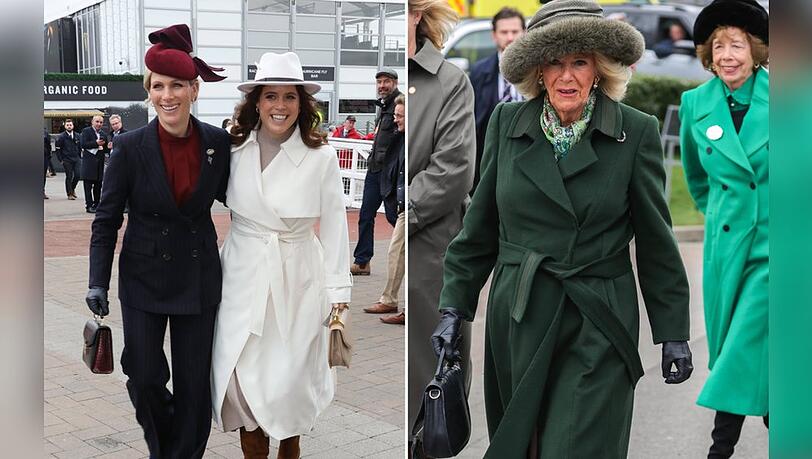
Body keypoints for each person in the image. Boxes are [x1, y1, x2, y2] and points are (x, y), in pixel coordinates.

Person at [430, 1, 694, 457]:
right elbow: (479, 229)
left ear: (601, 69)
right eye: (554, 62)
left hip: (598, 315)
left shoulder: (635, 131)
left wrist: (673, 332)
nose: (566, 76)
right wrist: (455, 308)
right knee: (523, 446)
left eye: (579, 62)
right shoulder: (506, 124)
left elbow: (656, 240)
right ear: (536, 70)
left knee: (576, 447)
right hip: (520, 314)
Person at [85, 23, 229, 458]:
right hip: (143, 278)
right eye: (159, 86)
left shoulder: (218, 144)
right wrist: (97, 280)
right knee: (144, 375)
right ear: (150, 91)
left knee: (193, 384)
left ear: (194, 90)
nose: (168, 96)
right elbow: (106, 220)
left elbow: (248, 199)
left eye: (178, 86)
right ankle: (167, 446)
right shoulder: (129, 147)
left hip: (198, 277)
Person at [210, 51, 352, 459]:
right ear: (256, 101)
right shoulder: (233, 151)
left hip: (297, 282)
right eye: (270, 96)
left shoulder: (321, 156)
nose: (280, 106)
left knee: (288, 392)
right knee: (241, 391)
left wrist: (337, 293)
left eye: (289, 97)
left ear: (301, 104)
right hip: (241, 276)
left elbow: (336, 226)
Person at [679, 0, 769, 456]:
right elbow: (696, 178)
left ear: (755, 51)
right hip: (724, 251)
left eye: (737, 44)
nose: (727, 54)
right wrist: (720, 218)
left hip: (776, 250)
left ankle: (720, 450)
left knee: (741, 347)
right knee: (756, 355)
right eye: (718, 46)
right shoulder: (695, 104)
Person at [406, 0, 476, 443]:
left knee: (430, 401)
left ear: (417, 14)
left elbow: (453, 169)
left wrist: (403, 211)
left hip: (430, 255)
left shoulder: (449, 81)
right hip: (395, 250)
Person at [350, 68, 401, 276]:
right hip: (375, 167)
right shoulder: (384, 105)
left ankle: (408, 254)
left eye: (386, 81)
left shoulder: (401, 103)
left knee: (393, 217)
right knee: (366, 215)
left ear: (395, 83)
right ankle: (362, 261)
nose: (382, 86)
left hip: (389, 170)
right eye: (379, 82)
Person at [469, 7, 525, 192]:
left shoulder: (539, 70)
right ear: (494, 35)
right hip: (489, 158)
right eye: (504, 32)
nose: (510, 37)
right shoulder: (479, 72)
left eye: (515, 31)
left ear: (524, 33)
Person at [366, 94, 406, 324]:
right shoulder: (398, 137)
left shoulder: (409, 139)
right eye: (395, 116)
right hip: (402, 204)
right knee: (398, 252)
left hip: (411, 206)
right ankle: (390, 299)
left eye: (400, 116)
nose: (396, 120)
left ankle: (391, 299)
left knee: (397, 251)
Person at [79, 115, 108, 212]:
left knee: (98, 186)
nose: (99, 124)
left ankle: (97, 204)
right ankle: (89, 205)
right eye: (97, 121)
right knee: (88, 186)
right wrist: (96, 143)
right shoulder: (86, 131)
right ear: (92, 122)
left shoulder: (103, 133)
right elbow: (83, 144)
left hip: (99, 163)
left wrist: (109, 147)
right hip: (89, 163)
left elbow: (105, 148)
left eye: (101, 122)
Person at [55, 118, 82, 200]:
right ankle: (69, 193)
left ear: (73, 126)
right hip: (66, 159)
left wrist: (79, 156)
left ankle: (72, 188)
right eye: (67, 125)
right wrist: (61, 160)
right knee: (69, 176)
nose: (69, 126)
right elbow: (58, 149)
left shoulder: (78, 136)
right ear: (65, 126)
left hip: (76, 158)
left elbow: (80, 147)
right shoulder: (61, 137)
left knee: (77, 175)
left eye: (70, 125)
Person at [44, 129, 51, 199]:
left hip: (44, 155)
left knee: (43, 175)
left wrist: (49, 156)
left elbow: (48, 145)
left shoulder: (45, 132)